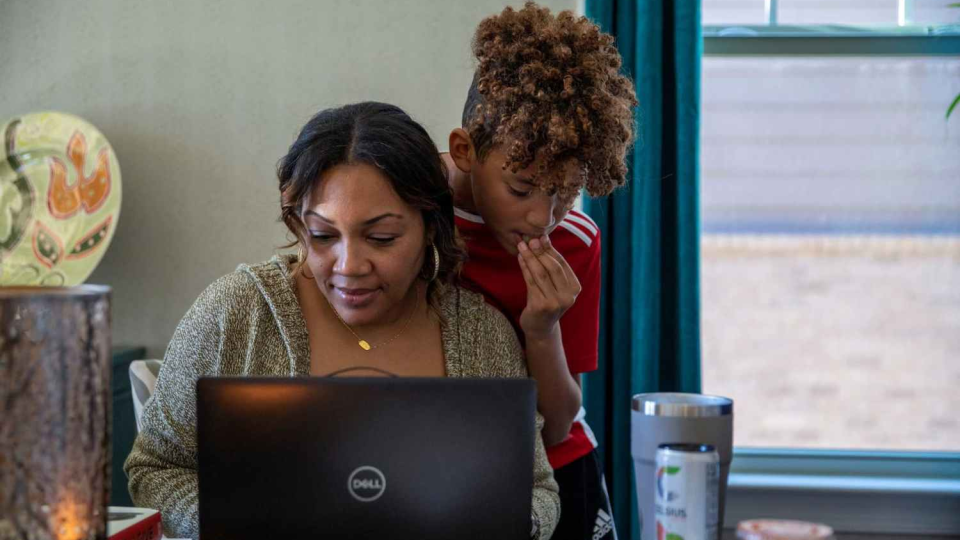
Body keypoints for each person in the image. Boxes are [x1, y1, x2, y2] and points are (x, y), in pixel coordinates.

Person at [124, 102, 560, 540]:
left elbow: (537, 490)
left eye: (381, 238)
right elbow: (155, 470)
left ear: (430, 227)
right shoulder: (236, 313)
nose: (349, 265)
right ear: (298, 224)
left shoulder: (480, 334)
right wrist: (243, 526)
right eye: (323, 236)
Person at [442, 4, 638, 539]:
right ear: (464, 151)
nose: (542, 218)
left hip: (551, 465)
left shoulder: (575, 243)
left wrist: (542, 328)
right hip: (439, 456)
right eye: (522, 188)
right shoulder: (409, 211)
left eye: (564, 192)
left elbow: (558, 423)